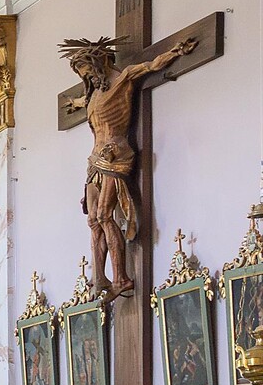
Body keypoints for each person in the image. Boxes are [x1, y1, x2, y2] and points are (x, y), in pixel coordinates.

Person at [61, 33, 197, 300]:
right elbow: (81, 103)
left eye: (88, 71)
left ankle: (121, 278)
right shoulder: (92, 96)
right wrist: (75, 103)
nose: (87, 78)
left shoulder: (123, 79)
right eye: (83, 75)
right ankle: (100, 279)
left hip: (116, 154)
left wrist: (177, 51)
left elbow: (152, 65)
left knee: (103, 215)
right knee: (92, 219)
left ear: (100, 62)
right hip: (94, 159)